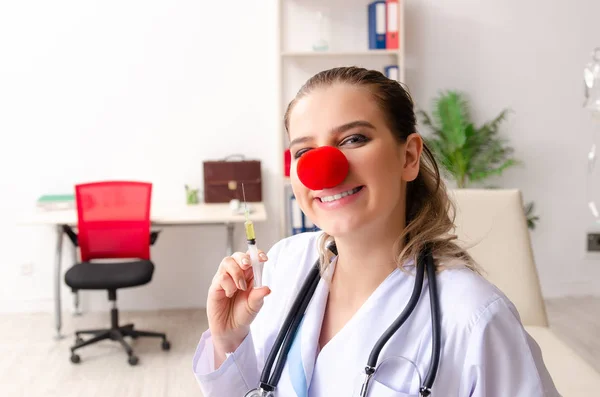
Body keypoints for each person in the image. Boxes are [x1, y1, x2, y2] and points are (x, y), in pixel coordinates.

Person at [192, 66, 560, 396]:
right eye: (304, 152)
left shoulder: (474, 317)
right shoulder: (281, 266)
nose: (324, 168)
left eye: (353, 139)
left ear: (409, 156)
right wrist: (229, 340)